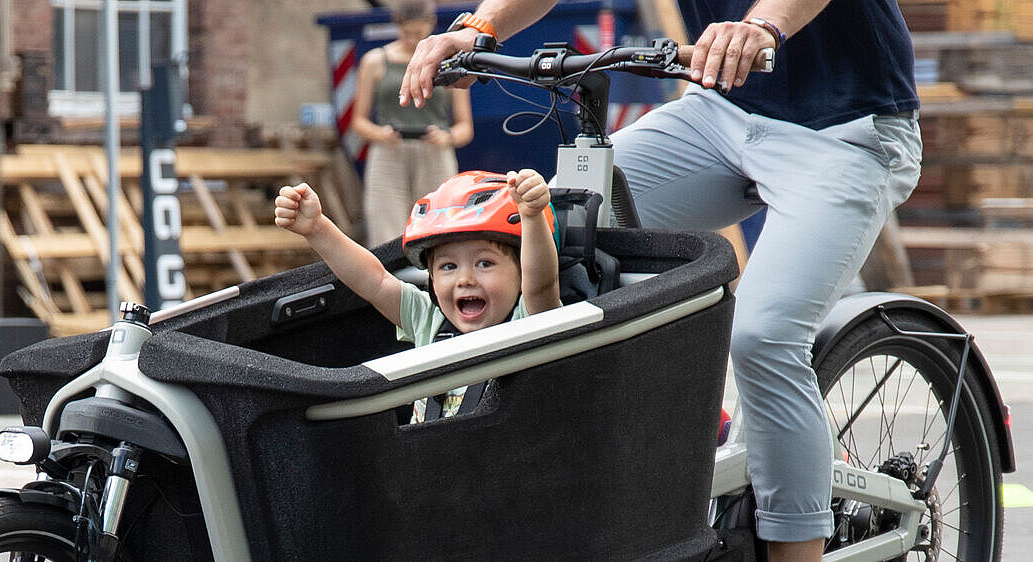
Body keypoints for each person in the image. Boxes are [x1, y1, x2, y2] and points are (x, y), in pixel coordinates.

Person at [398, 2, 922, 560]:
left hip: (847, 126)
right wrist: (481, 28)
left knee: (763, 336)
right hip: (719, 110)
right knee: (549, 235)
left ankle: (796, 548)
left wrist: (762, 24)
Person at [275, 169, 559, 422]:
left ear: (521, 271)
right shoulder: (428, 320)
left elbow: (542, 282)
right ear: (432, 280)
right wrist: (317, 229)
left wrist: (532, 216)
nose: (465, 279)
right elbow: (373, 279)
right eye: (448, 266)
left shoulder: (529, 321)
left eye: (484, 263)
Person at [352, 0, 474, 247]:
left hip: (434, 151)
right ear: (396, 26)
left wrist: (446, 137)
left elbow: (465, 128)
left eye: (418, 32)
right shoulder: (375, 61)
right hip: (389, 152)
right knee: (385, 230)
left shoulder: (448, 63)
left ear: (430, 25)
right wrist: (379, 133)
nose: (413, 39)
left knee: (440, 227)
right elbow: (358, 121)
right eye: (407, 32)